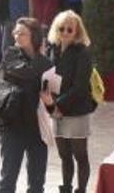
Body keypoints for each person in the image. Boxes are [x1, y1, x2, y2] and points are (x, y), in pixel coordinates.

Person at [0, 18, 54, 193]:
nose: (17, 36)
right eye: (16, 32)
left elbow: (53, 94)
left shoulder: (46, 63)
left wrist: (51, 103)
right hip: (12, 125)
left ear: (34, 36)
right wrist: (39, 56)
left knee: (37, 182)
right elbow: (25, 72)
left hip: (37, 128)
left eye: (22, 33)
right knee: (8, 179)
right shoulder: (11, 54)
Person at [43, 10, 98, 193]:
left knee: (80, 155)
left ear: (77, 32)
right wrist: (50, 104)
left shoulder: (81, 52)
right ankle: (66, 188)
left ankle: (81, 190)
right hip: (56, 110)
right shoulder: (53, 49)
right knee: (64, 155)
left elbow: (80, 86)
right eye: (61, 28)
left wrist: (59, 105)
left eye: (70, 29)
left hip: (76, 110)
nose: (65, 32)